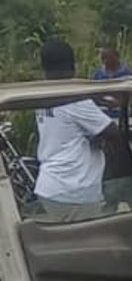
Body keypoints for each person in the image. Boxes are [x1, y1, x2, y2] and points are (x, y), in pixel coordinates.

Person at [30, 41, 113, 221]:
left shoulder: (42, 96)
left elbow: (65, 131)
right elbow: (113, 132)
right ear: (72, 65)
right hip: (75, 188)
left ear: (44, 67)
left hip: (49, 185)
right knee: (86, 243)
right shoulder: (74, 99)